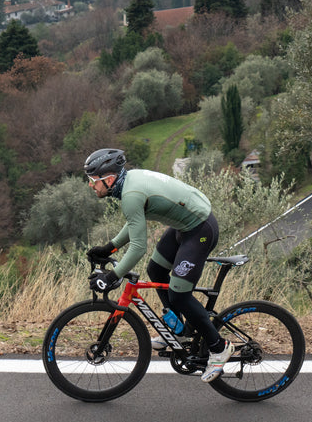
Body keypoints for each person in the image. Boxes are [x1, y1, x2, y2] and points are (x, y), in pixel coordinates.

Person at [83, 148, 231, 382]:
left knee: (179, 294)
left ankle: (219, 347)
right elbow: (134, 223)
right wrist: (109, 248)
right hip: (185, 226)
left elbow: (139, 247)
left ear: (108, 179)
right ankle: (179, 332)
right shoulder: (128, 184)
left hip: (200, 229)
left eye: (93, 180)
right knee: (156, 270)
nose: (91, 185)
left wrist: (114, 276)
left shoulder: (130, 194)